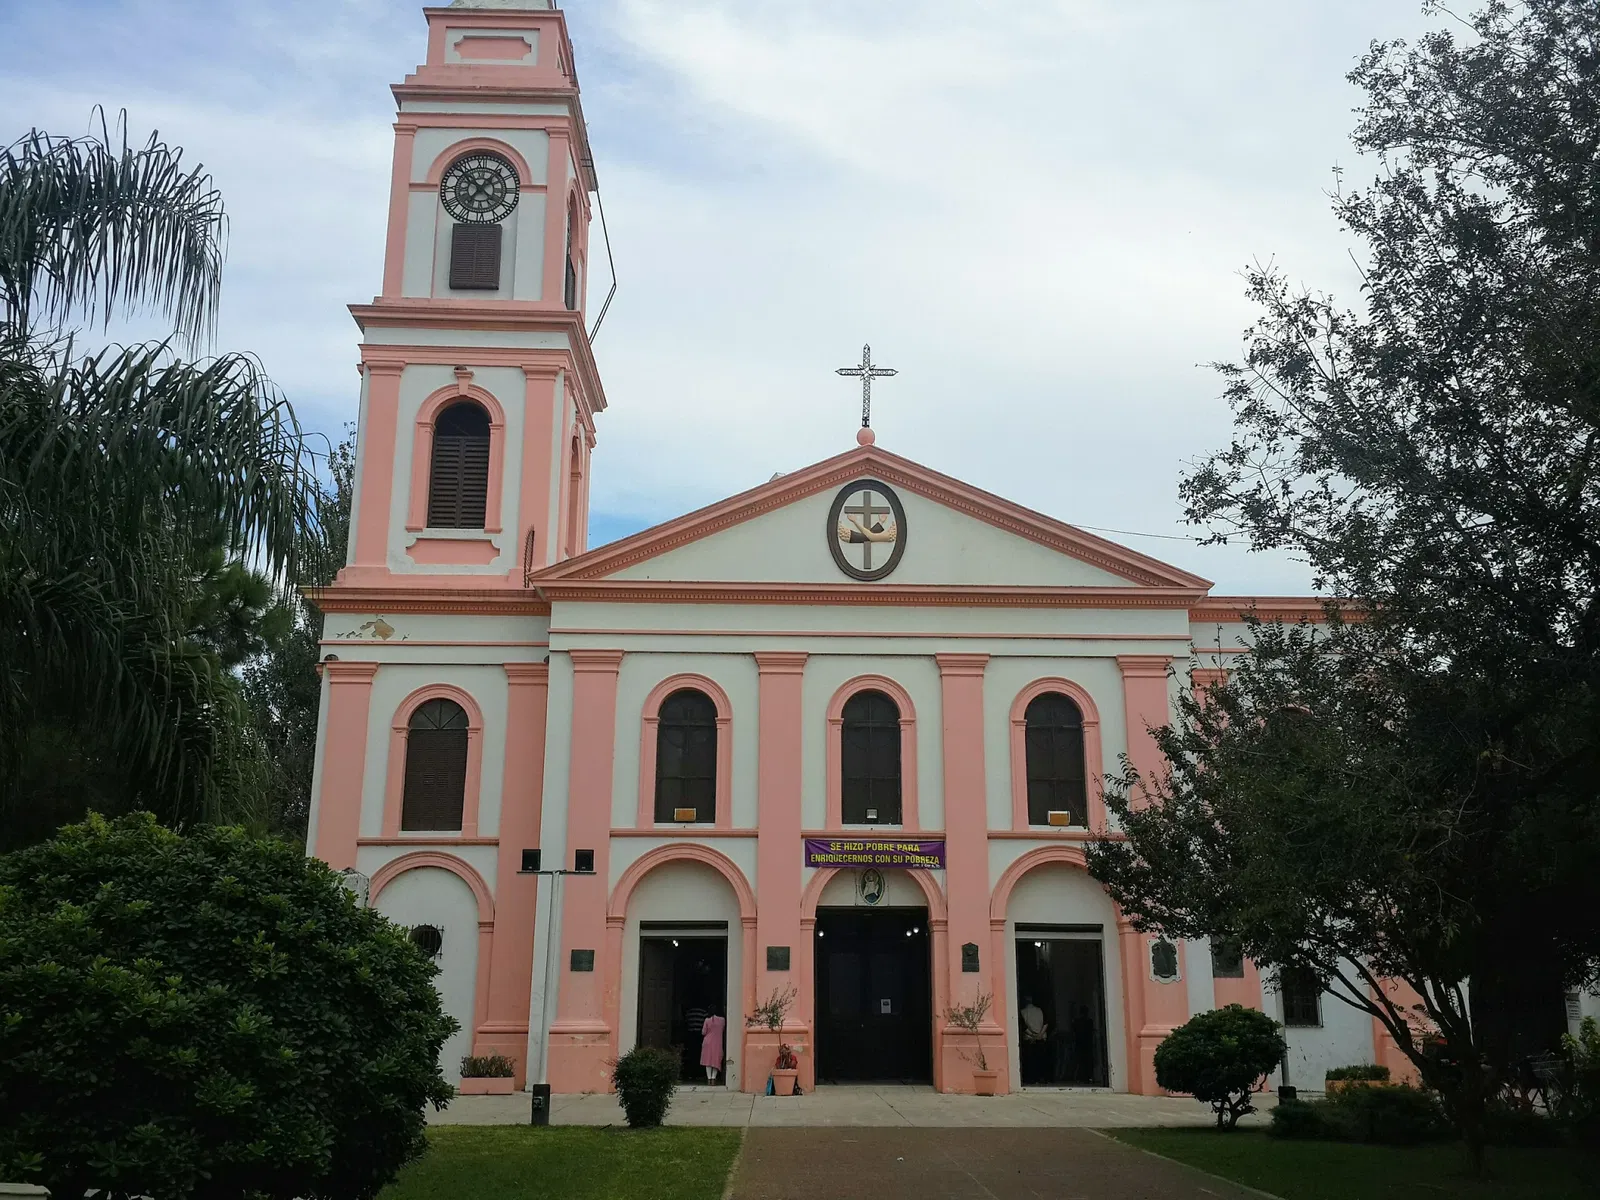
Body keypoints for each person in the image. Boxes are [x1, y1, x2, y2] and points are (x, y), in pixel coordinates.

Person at [699, 1007, 725, 1084]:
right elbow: (722, 1029)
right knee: (716, 1060)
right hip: (718, 1042)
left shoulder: (707, 1020)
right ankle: (714, 1078)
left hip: (707, 1042)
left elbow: (703, 1032)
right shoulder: (722, 1020)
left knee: (708, 1061)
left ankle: (709, 1079)